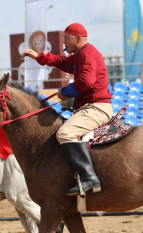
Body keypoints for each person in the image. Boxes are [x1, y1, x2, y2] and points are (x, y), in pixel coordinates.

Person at [22, 23, 112, 197]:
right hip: (89, 107)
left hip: (96, 107)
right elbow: (61, 62)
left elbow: (86, 82)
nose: (63, 42)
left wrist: (64, 92)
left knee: (65, 134)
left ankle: (89, 178)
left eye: (66, 38)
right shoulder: (80, 55)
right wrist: (38, 57)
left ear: (77, 39)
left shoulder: (87, 54)